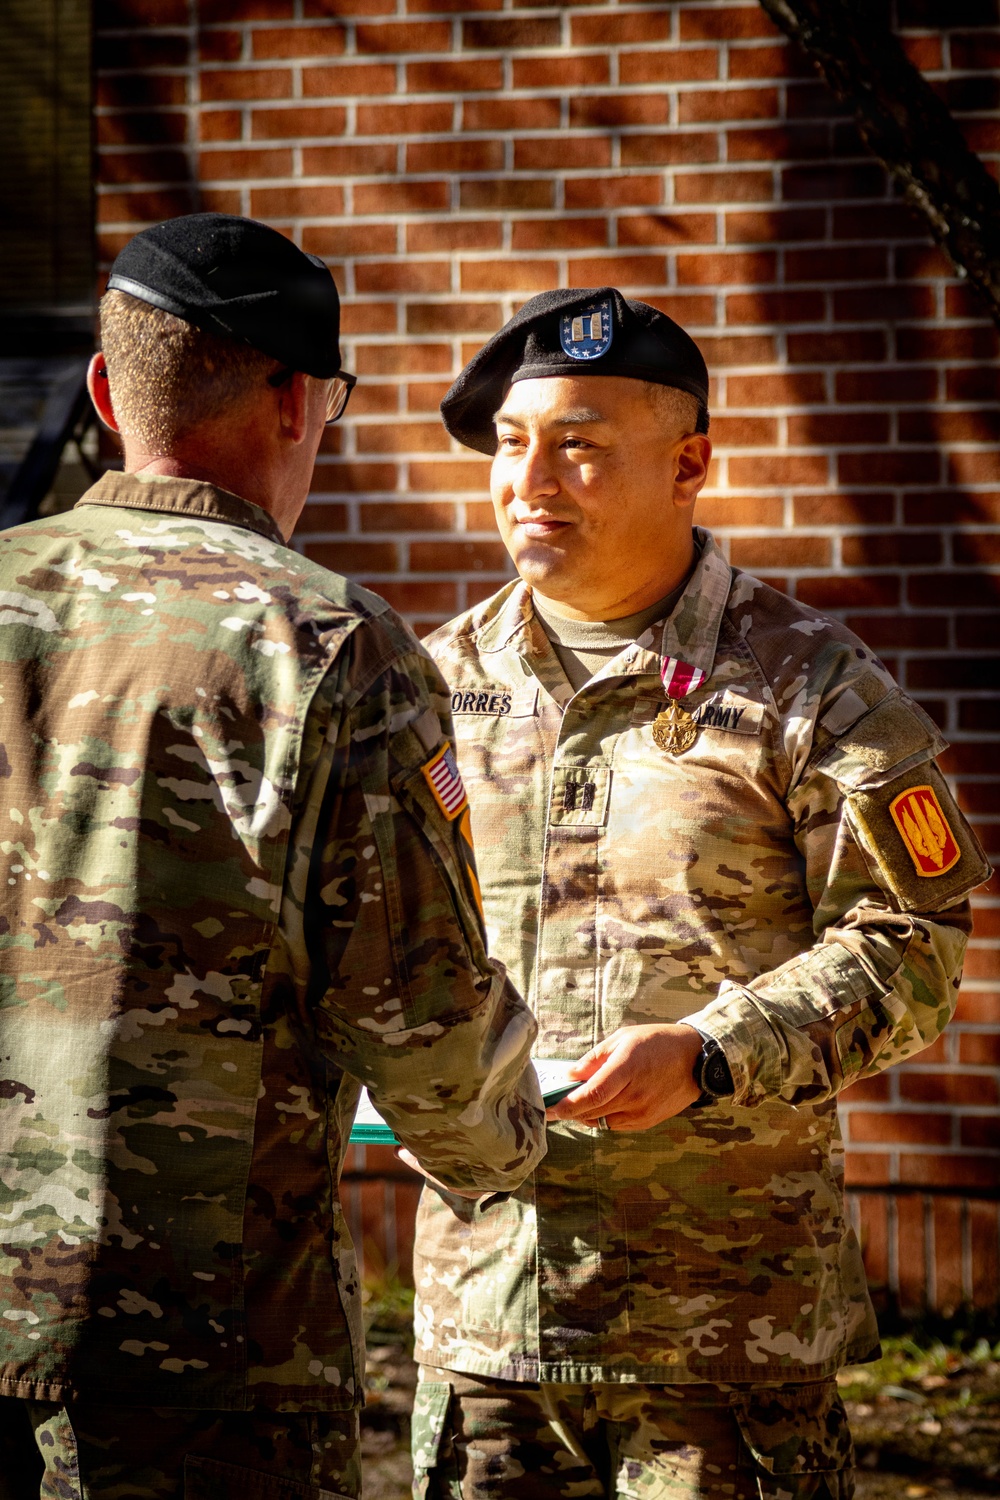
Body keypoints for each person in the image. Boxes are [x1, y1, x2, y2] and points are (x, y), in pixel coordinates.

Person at [408, 287, 990, 1500]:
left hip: (728, 1341)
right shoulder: (424, 689)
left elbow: (915, 940)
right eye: (511, 444)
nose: (530, 480)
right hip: (489, 1322)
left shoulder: (810, 684)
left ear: (690, 463)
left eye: (576, 442)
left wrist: (711, 1049)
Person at [0, 212, 545, 1500]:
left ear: (100, 390)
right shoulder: (328, 644)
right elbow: (418, 1013)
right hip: (199, 1361)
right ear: (296, 399)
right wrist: (507, 1151)